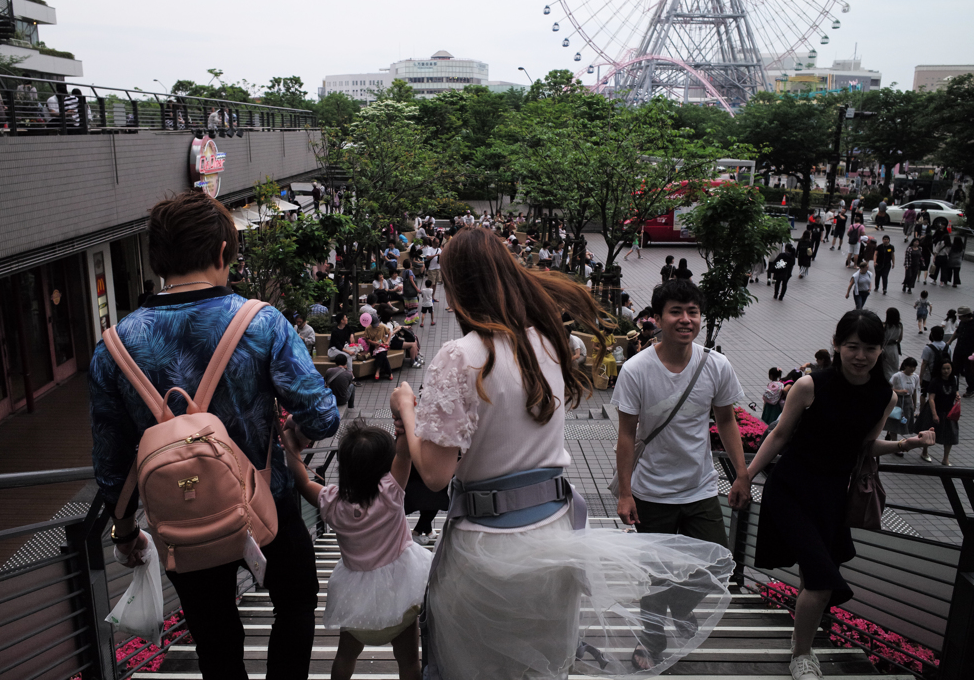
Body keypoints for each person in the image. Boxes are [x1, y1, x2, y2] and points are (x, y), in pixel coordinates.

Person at [391, 229, 734, 678]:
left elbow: (436, 475)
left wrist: (406, 409)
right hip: (556, 538)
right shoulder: (551, 343)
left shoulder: (460, 356)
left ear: (455, 289)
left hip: (487, 548)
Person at [88, 190, 340, 680]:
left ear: (157, 259)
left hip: (182, 520)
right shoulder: (260, 322)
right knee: (295, 604)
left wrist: (124, 530)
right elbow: (322, 415)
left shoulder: (113, 347)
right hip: (268, 504)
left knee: (215, 641)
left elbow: (111, 464)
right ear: (224, 250)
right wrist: (294, 434)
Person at [748, 309, 935, 680]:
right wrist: (745, 477)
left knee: (813, 575)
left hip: (833, 496)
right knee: (822, 581)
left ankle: (800, 640)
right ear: (836, 344)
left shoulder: (884, 397)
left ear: (881, 349)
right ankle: (802, 655)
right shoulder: (809, 386)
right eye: (852, 346)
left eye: (870, 348)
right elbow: (780, 435)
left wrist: (906, 444)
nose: (860, 356)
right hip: (791, 489)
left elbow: (865, 446)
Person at [612, 279, 748, 668]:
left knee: (719, 563)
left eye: (693, 312)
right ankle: (651, 642)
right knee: (655, 576)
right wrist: (625, 493)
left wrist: (741, 474)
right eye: (676, 311)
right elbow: (626, 435)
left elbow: (726, 421)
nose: (686, 319)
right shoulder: (637, 370)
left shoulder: (716, 365)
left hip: (700, 488)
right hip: (651, 492)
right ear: (657, 318)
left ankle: (680, 607)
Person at [283, 421, 430, 680]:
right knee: (409, 662)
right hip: (401, 597)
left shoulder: (332, 503)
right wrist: (402, 419)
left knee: (345, 656)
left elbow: (303, 482)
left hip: (356, 602)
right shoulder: (390, 494)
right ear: (386, 465)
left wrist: (289, 441)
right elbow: (405, 454)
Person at [917, 361, 959, 466]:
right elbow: (931, 399)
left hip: (949, 411)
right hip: (935, 409)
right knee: (929, 431)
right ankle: (924, 452)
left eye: (948, 368)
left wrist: (957, 396)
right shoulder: (935, 381)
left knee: (950, 435)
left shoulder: (954, 379)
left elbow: (956, 391)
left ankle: (945, 458)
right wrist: (934, 414)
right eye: (944, 369)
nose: (946, 371)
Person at [886, 357, 919, 449]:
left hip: (907, 401)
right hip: (897, 400)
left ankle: (892, 436)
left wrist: (914, 404)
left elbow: (914, 391)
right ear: (905, 366)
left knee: (904, 421)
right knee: (894, 422)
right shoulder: (897, 376)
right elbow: (888, 388)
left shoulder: (915, 377)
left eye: (914, 367)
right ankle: (895, 444)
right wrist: (899, 391)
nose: (912, 369)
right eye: (910, 367)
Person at [919, 325, 950, 412]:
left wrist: (921, 377)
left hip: (929, 376)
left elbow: (924, 363)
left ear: (932, 335)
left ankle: (922, 411)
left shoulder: (928, 348)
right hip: (943, 376)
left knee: (924, 393)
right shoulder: (948, 347)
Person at [946, 306, 974, 397]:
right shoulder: (962, 322)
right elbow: (957, 332)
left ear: (966, 316)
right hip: (958, 350)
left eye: (960, 316)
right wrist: (950, 341)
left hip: (969, 352)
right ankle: (954, 388)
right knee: (955, 370)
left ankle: (971, 389)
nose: (958, 318)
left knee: (968, 371)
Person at [882, 308, 903, 382]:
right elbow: (900, 339)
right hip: (894, 348)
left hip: (885, 348)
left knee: (886, 367)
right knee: (894, 366)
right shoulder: (900, 325)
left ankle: (888, 381)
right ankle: (895, 381)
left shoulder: (884, 326)